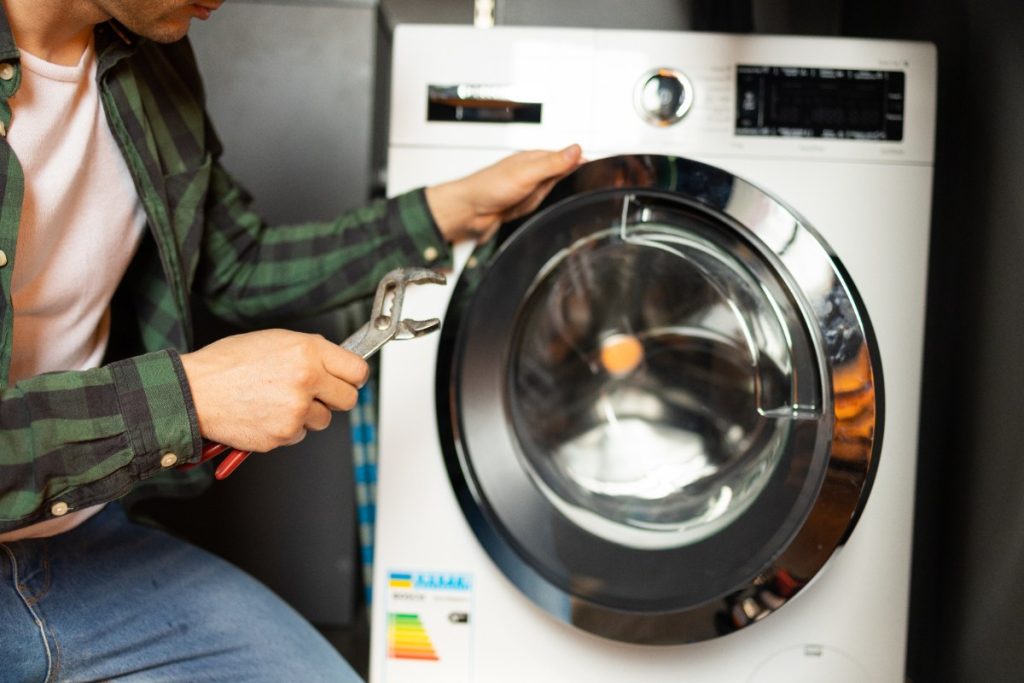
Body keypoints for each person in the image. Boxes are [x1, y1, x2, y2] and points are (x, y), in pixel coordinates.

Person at [0, 0, 582, 679]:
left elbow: (235, 260)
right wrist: (189, 399)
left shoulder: (148, 54)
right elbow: (183, 396)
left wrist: (447, 210)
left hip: (85, 545)